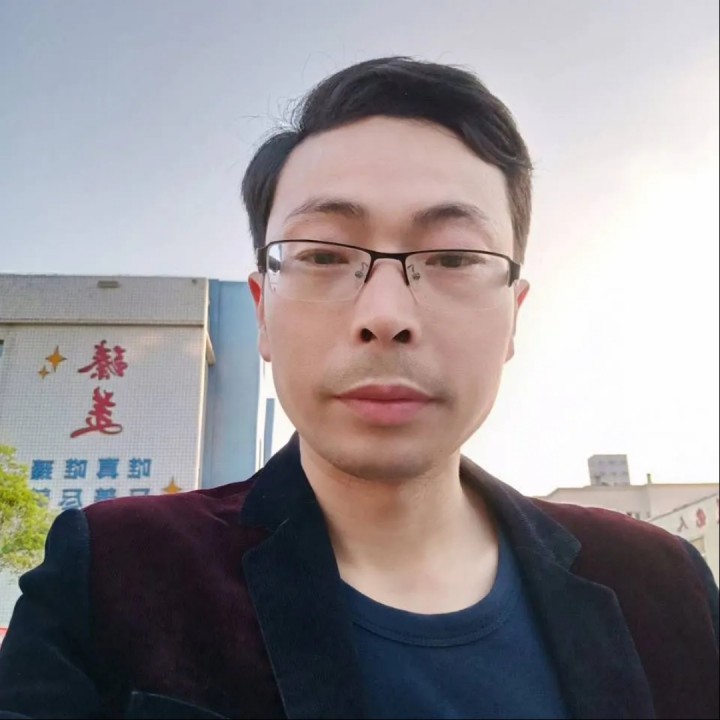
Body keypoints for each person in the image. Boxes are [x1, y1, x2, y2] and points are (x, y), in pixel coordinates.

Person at [0, 56, 717, 720]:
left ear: (513, 317)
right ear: (263, 312)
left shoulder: (663, 584)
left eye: (453, 257)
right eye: (322, 255)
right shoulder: (115, 571)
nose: (386, 315)